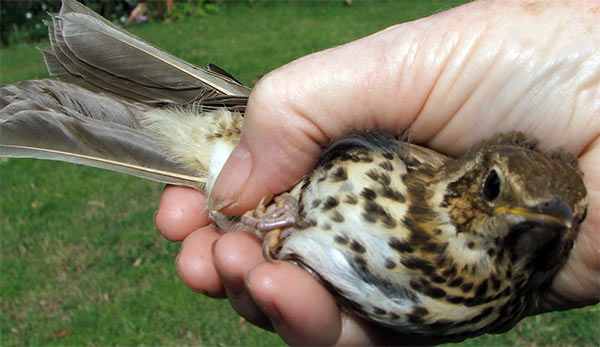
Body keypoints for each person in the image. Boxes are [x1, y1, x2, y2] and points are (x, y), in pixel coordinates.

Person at [154, 0, 599, 344]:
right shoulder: (427, 186)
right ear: (475, 177)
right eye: (495, 188)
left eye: (569, 223)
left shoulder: (502, 305)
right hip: (275, 178)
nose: (547, 222)